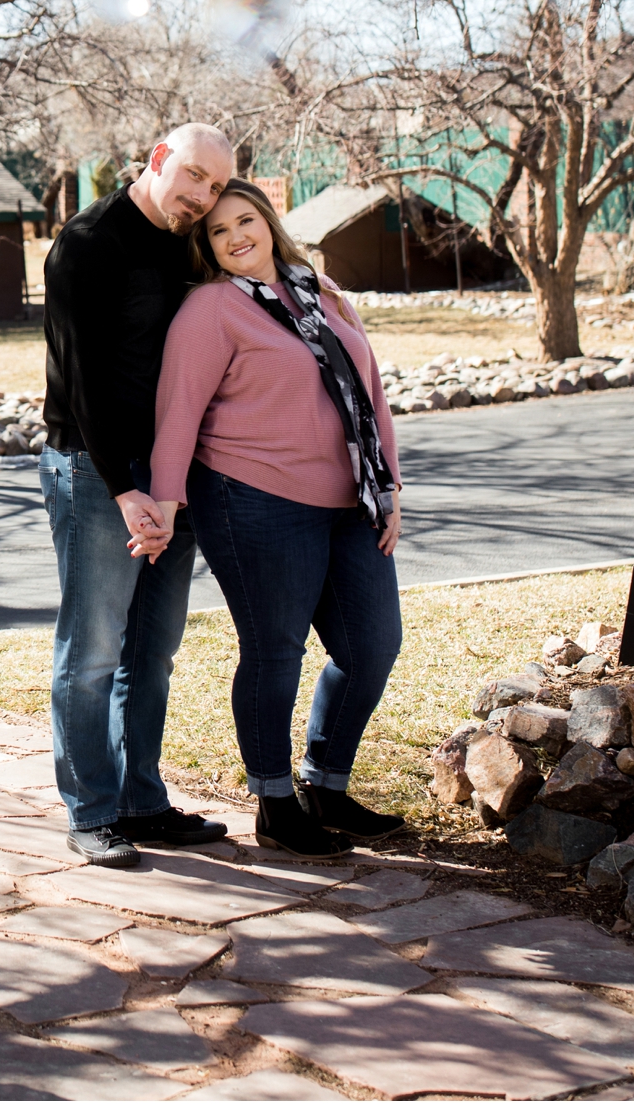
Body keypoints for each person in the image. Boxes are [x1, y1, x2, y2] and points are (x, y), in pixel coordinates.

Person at [140, 178, 406, 858]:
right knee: (275, 650)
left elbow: (370, 390)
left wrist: (391, 486)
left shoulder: (319, 288)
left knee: (371, 644)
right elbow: (178, 411)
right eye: (218, 231)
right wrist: (165, 503)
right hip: (253, 499)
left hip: (352, 502)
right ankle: (275, 800)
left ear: (268, 221)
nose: (236, 237)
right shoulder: (211, 308)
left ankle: (328, 784)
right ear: (205, 246)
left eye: (245, 220)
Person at [39, 123, 237, 868]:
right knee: (90, 651)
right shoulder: (88, 242)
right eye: (193, 176)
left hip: (169, 477)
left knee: (151, 651)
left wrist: (168, 486)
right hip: (96, 475)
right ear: (158, 160)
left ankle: (141, 802)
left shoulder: (187, 244)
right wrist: (126, 490)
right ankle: (90, 812)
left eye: (215, 187)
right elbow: (79, 379)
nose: (202, 196)